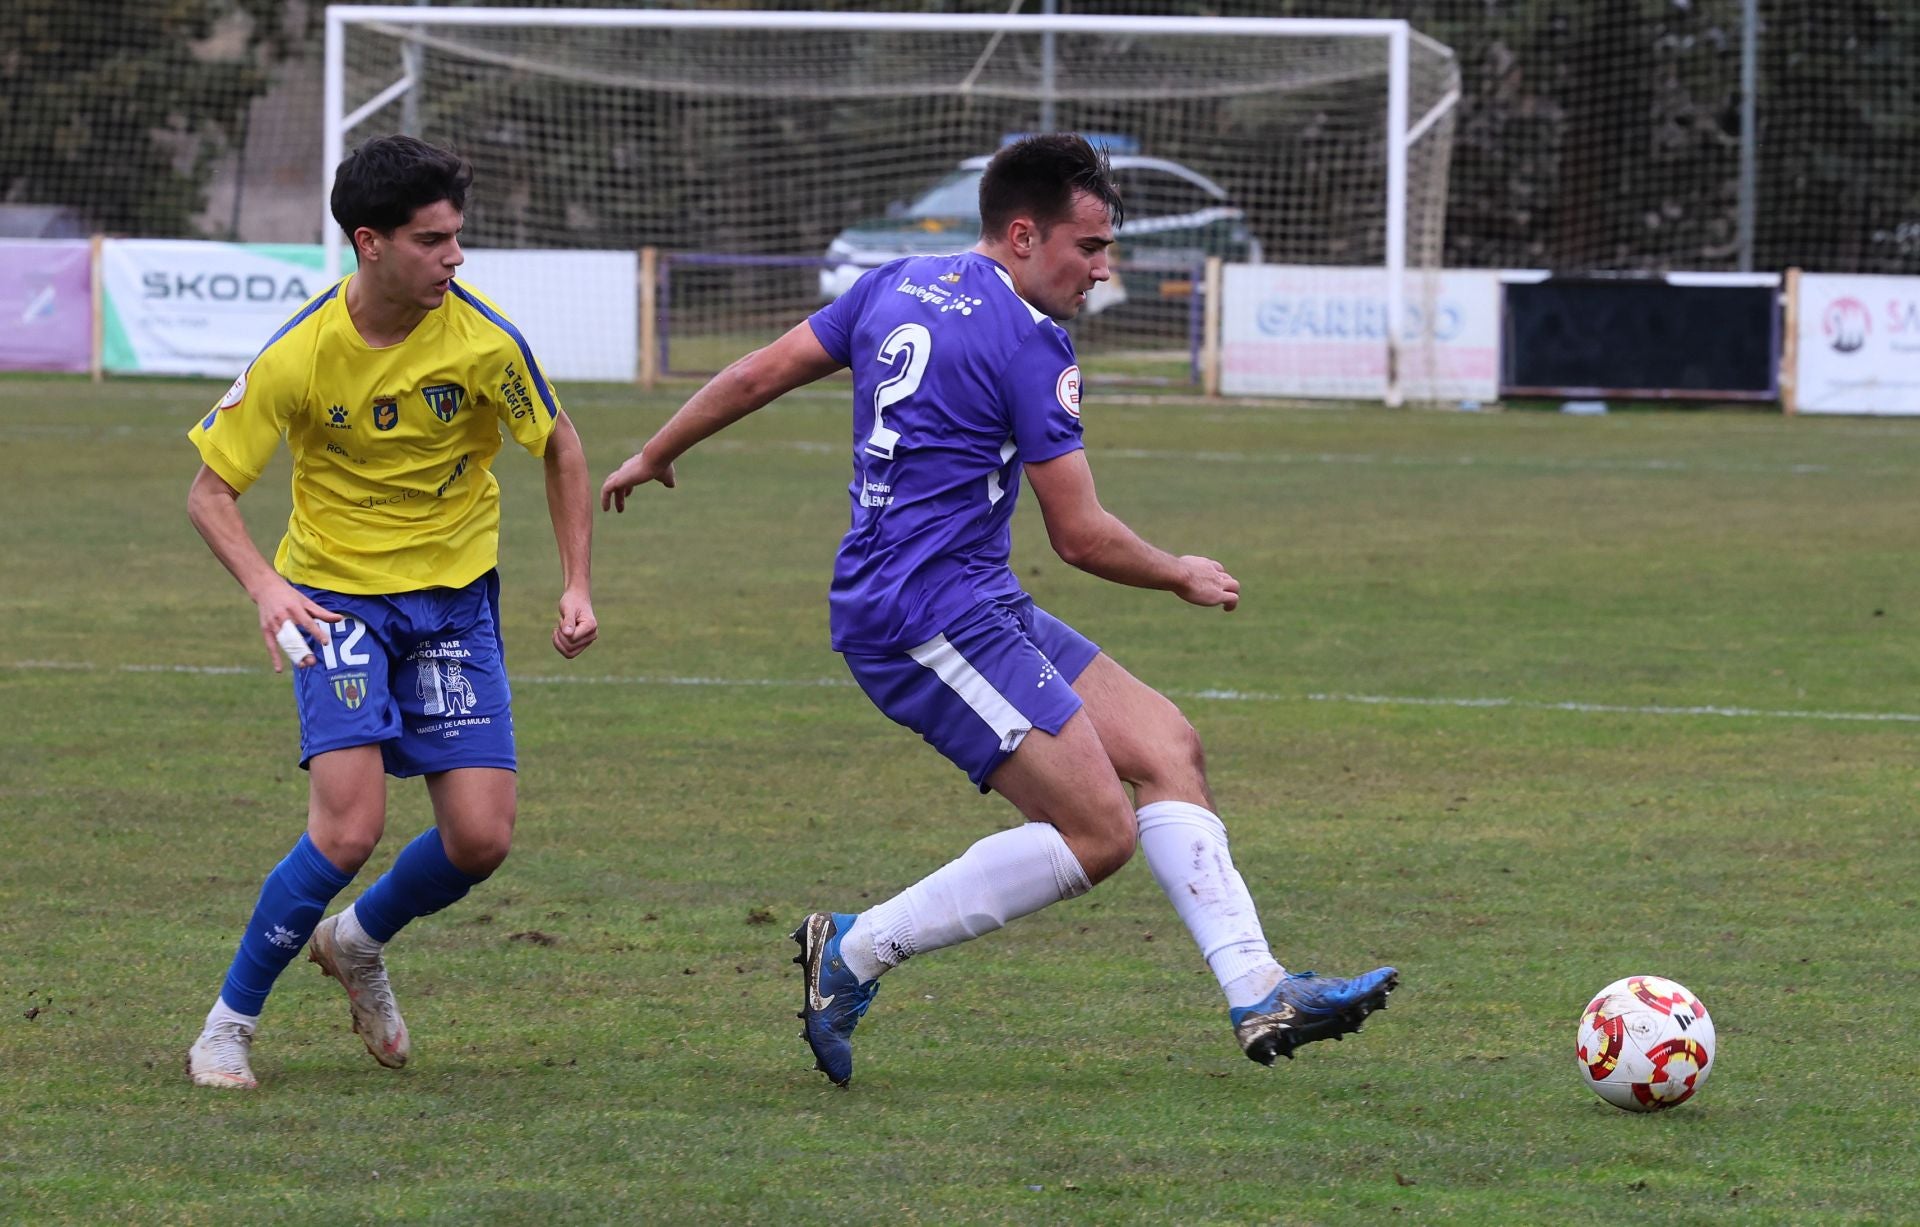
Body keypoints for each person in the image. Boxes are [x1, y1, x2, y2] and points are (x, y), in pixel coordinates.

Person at [601, 134, 1394, 1087]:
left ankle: (1259, 986)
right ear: (1022, 235)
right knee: (1098, 832)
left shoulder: (893, 281)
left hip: (972, 596)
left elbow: (756, 374)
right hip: (919, 616)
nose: (1105, 270)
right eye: (1090, 247)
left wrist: (656, 449)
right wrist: (1178, 570)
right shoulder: (1029, 342)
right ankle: (854, 951)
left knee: (1168, 747)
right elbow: (1081, 535)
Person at [183, 135, 597, 1089]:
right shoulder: (298, 354)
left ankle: (358, 941)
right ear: (369, 243)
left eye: (458, 237)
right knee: (347, 829)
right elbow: (209, 494)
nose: (455, 258)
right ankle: (227, 1025)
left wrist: (576, 581)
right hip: (328, 601)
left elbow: (561, 444)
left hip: (454, 603)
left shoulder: (486, 340)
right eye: (433, 240)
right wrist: (265, 585)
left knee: (481, 839)